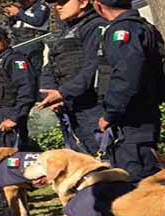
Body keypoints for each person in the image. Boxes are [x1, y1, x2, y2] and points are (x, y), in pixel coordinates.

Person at [91, 0, 162, 181]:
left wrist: (110, 113)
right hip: (139, 119)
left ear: (98, 5)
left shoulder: (122, 30)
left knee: (137, 184)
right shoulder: (141, 26)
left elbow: (126, 75)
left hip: (131, 122)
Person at [37, 0, 108, 156]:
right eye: (55, 3)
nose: (58, 6)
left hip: (94, 106)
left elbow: (94, 67)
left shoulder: (96, 26)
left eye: (63, 2)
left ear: (83, 2)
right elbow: (50, 67)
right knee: (84, 162)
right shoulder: (64, 32)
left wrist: (63, 93)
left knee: (105, 159)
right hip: (71, 107)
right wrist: (51, 93)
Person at [4, 0, 50, 80]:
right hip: (18, 43)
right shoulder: (22, 9)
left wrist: (18, 13)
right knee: (20, 67)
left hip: (32, 41)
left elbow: (37, 21)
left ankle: (36, 88)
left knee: (33, 69)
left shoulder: (41, 6)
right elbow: (14, 25)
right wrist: (11, 17)